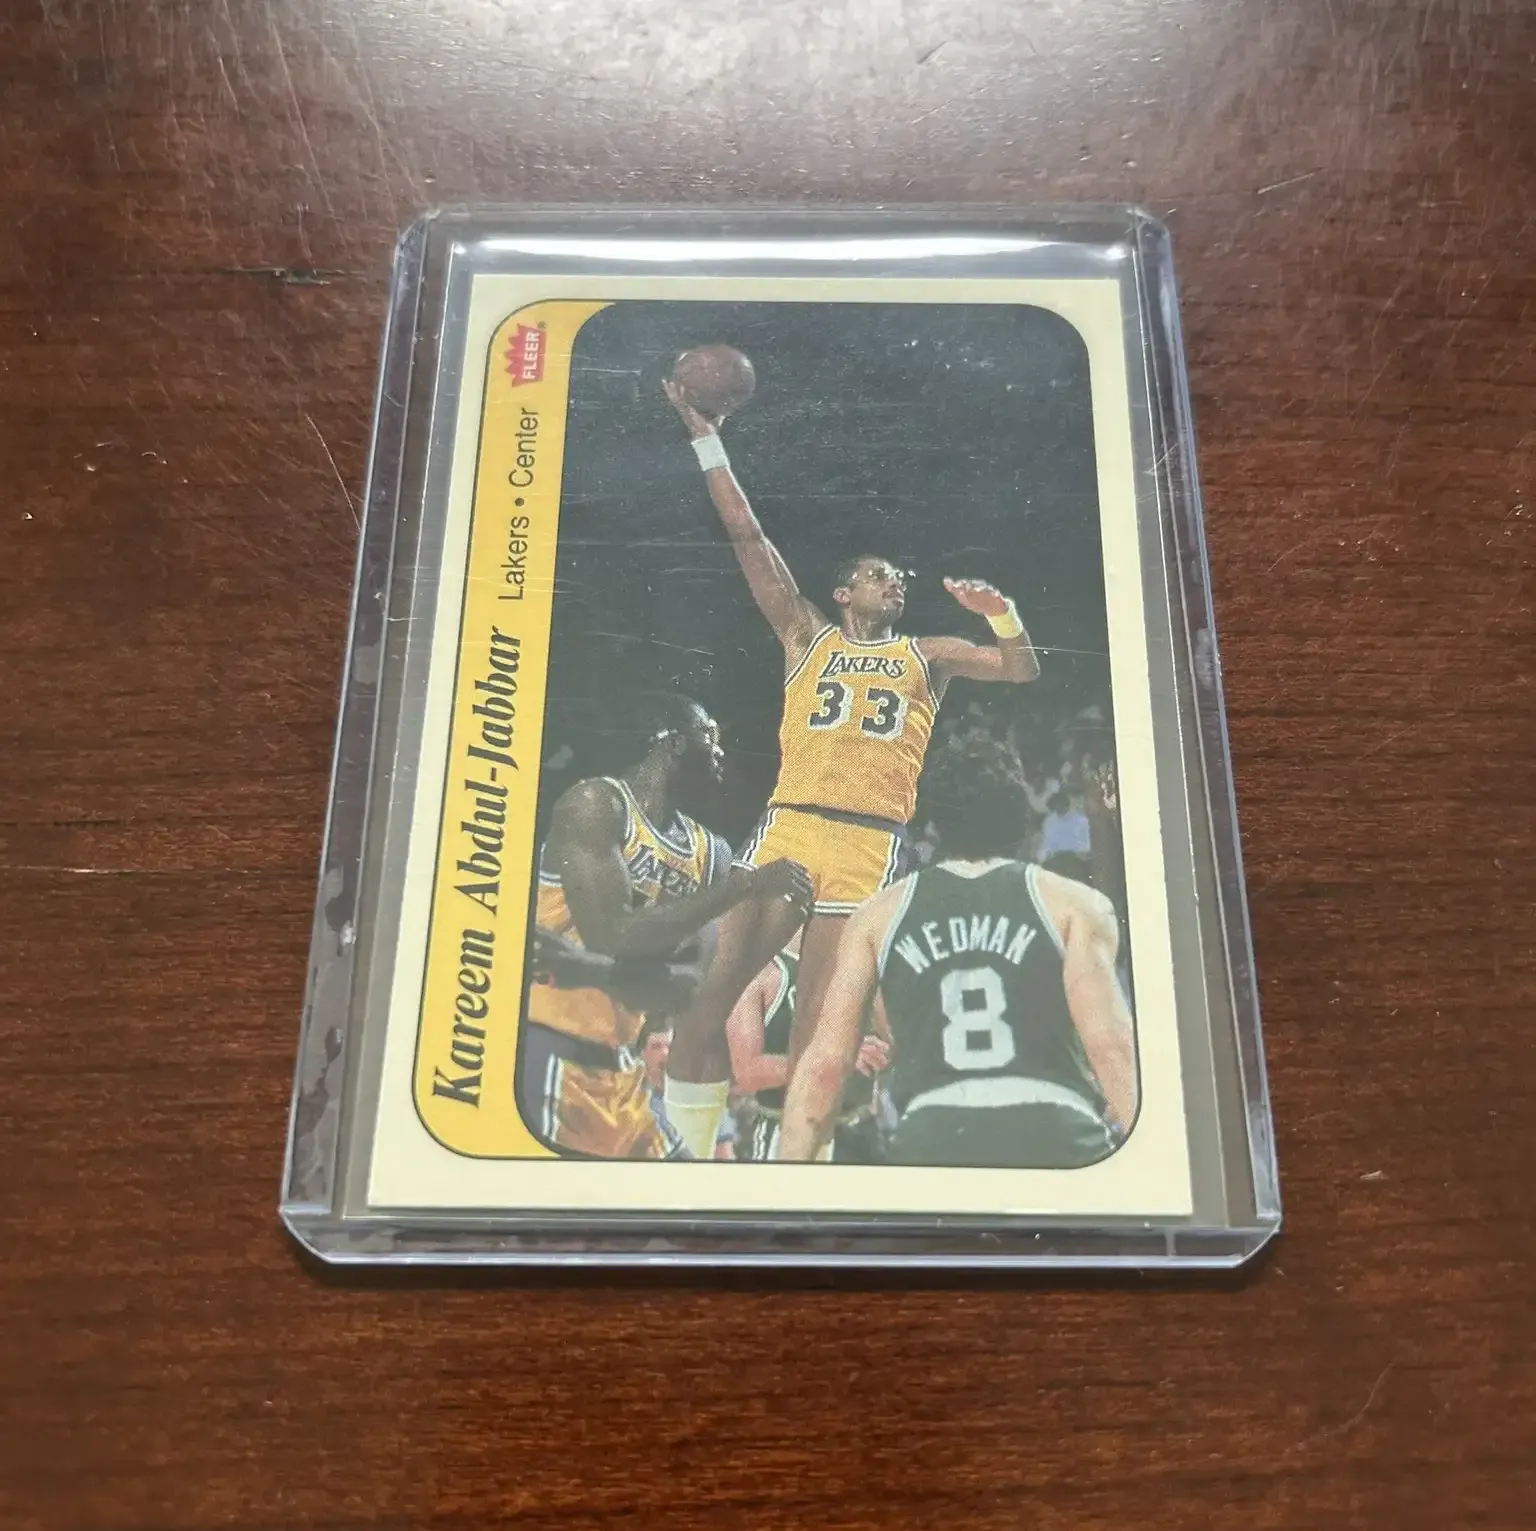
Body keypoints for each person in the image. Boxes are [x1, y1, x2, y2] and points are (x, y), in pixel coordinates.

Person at [660, 380, 1042, 1157]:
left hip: (868, 843)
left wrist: (1001, 613)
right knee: (714, 994)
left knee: (821, 1028)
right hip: (792, 826)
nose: (896, 581)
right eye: (879, 573)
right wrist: (706, 438)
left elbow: (1020, 667)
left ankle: (802, 1172)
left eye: (900, 576)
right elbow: (747, 535)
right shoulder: (807, 635)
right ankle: (691, 1153)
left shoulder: (927, 654)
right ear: (843, 591)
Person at [779, 737, 1137, 1168]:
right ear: (1020, 816)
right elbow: (1112, 1047)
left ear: (935, 824)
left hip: (932, 1132)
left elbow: (824, 1065)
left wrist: (789, 1179)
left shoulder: (876, 915)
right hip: (1056, 1127)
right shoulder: (1074, 904)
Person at [519, 694, 812, 1159]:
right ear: (674, 743)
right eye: (710, 736)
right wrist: (744, 886)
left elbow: (683, 991)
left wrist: (591, 970)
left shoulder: (711, 854)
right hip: (550, 1053)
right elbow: (613, 935)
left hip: (622, 1072)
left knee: (687, 1190)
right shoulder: (596, 804)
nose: (721, 751)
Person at [724, 934, 888, 1161]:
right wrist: (835, 1059)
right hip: (786, 1128)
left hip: (858, 1130)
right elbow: (747, 1073)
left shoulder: (865, 965)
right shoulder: (766, 974)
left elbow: (899, 1045)